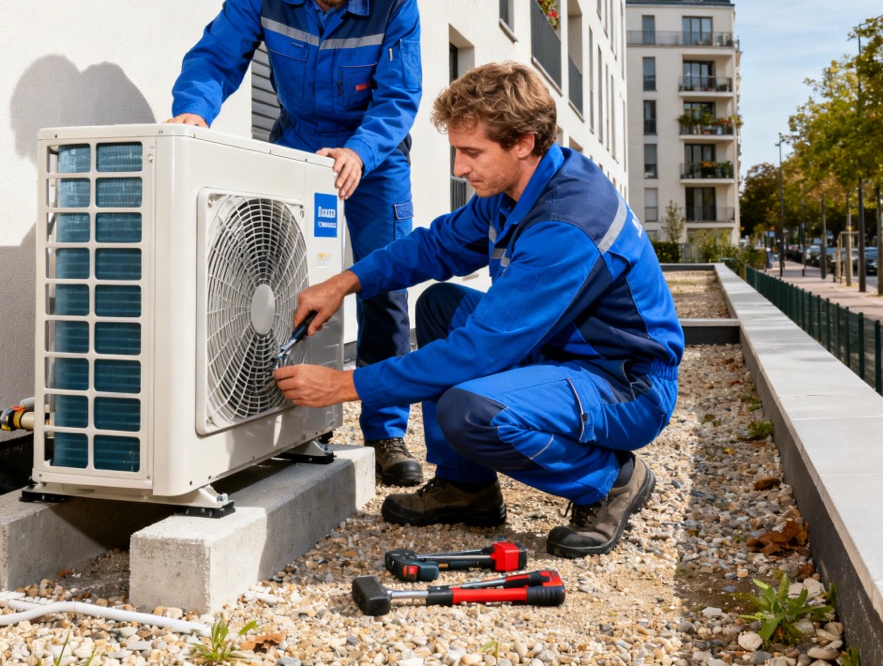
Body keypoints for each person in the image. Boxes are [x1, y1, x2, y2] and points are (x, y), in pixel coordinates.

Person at [275, 62, 684, 559]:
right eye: (456, 151)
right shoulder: (517, 189)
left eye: (471, 153)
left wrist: (342, 386)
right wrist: (345, 281)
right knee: (442, 305)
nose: (459, 169)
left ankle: (611, 479)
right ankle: (467, 486)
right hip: (563, 355)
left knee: (469, 410)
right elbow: (434, 248)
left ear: (524, 142)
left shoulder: (566, 224)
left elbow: (478, 353)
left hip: (626, 384)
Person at [168, 0, 423, 486]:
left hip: (374, 159)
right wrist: (193, 114)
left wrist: (360, 151)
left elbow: (398, 97)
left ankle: (386, 433)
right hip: (298, 147)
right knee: (286, 276)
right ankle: (301, 416)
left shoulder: (396, 2)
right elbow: (215, 59)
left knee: (383, 287)